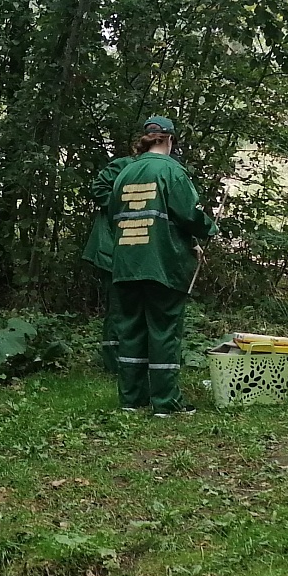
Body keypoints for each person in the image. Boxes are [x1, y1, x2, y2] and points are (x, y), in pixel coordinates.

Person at [106, 116, 217, 415]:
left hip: (126, 264)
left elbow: (114, 215)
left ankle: (131, 400)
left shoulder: (124, 173)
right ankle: (166, 404)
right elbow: (188, 214)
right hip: (162, 264)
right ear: (169, 140)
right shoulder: (171, 170)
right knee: (164, 330)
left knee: (130, 331)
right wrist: (208, 229)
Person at [80, 152, 133, 372]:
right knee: (118, 308)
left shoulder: (162, 170)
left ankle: (133, 360)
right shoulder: (125, 165)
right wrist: (124, 208)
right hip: (111, 250)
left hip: (137, 251)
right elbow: (99, 189)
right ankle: (114, 364)